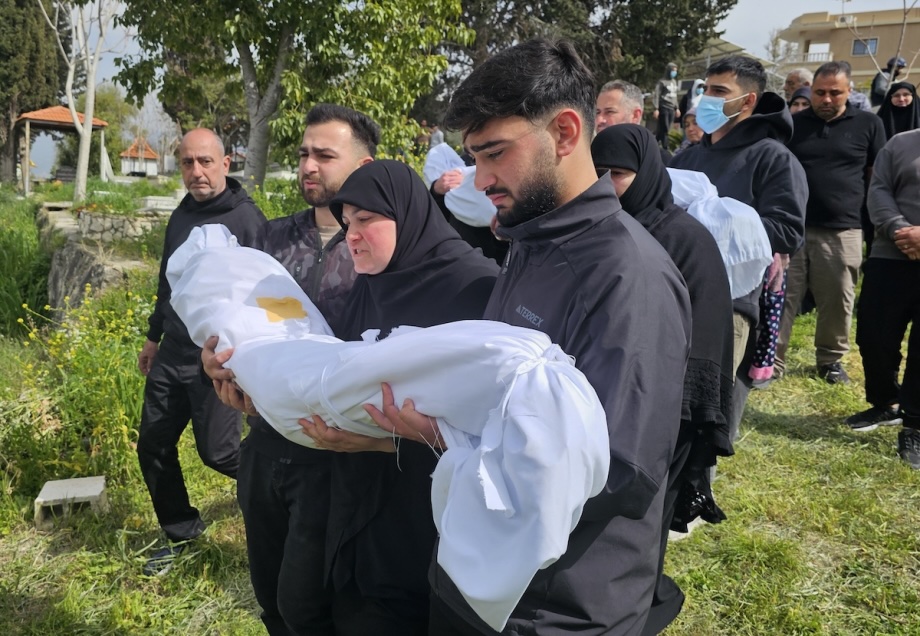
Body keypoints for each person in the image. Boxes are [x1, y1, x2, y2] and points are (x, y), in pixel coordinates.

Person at [376, 38, 691, 636]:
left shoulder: (628, 277)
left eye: (494, 153)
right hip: (480, 575)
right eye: (473, 157)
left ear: (566, 133)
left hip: (555, 607)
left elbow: (616, 470)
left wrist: (447, 438)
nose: (481, 179)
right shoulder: (529, 240)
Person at [301, 160, 499, 635]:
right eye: (348, 222)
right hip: (364, 501)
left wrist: (379, 444)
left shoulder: (475, 289)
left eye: (367, 220)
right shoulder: (369, 287)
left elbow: (492, 428)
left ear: (408, 215)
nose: (352, 235)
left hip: (435, 514)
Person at [205, 104, 379, 634]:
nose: (308, 165)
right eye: (303, 153)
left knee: (312, 606)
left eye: (324, 155)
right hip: (263, 446)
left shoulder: (379, 250)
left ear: (365, 165)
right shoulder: (269, 243)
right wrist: (213, 361)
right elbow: (224, 318)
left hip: (335, 457)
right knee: (270, 599)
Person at [591, 123, 734, 635]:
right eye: (597, 172)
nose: (607, 184)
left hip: (664, 411)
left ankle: (639, 607)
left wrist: (679, 414)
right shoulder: (596, 230)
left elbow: (708, 335)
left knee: (643, 518)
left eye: (620, 173)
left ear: (646, 173)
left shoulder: (684, 239)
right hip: (604, 398)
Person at [136, 128, 266, 575]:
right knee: (152, 445)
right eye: (188, 162)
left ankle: (286, 491)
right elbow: (166, 285)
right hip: (172, 353)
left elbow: (263, 295)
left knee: (220, 454)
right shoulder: (181, 215)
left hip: (218, 361)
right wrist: (154, 337)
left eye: (206, 162)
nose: (197, 171)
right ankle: (180, 531)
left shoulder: (249, 220)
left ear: (226, 163)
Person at [669, 55, 807, 444]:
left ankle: (700, 488)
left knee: (710, 414)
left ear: (747, 101)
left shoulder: (773, 158)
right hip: (677, 290)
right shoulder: (688, 157)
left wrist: (718, 223)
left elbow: (787, 231)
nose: (707, 100)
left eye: (719, 92)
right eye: (705, 90)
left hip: (732, 305)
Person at [777, 61, 887, 383]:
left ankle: (830, 360)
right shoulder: (793, 124)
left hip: (843, 228)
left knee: (838, 299)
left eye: (834, 93)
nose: (826, 99)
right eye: (820, 92)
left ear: (849, 91)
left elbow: (876, 177)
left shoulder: (868, 124)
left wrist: (874, 225)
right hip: (792, 228)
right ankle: (773, 360)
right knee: (783, 296)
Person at [844, 128, 920, 469]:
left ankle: (915, 424)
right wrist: (899, 229)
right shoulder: (901, 143)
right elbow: (879, 190)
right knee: (873, 335)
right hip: (891, 253)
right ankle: (885, 400)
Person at [596, 79, 670, 164]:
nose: (599, 120)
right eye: (597, 112)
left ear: (635, 115)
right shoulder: (588, 160)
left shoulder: (662, 162)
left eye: (609, 112)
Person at [652, 62, 681, 149]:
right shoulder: (662, 82)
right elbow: (656, 94)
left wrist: (677, 108)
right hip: (663, 107)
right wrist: (656, 108)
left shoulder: (674, 82)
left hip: (672, 108)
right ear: (668, 71)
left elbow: (675, 96)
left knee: (664, 129)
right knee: (665, 128)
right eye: (673, 71)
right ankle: (665, 147)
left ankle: (655, 143)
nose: (674, 73)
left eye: (676, 71)